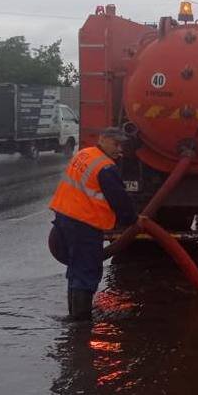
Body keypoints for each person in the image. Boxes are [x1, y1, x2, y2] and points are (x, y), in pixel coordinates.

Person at [49, 127, 137, 320]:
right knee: (86, 270)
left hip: (65, 217)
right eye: (116, 144)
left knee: (76, 268)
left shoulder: (84, 154)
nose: (119, 149)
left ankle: (74, 314)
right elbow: (120, 200)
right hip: (84, 223)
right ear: (103, 139)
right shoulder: (105, 167)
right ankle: (80, 322)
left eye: (121, 145)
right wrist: (133, 222)